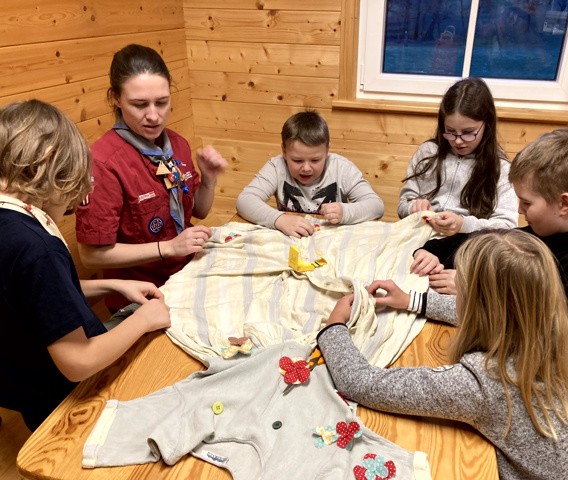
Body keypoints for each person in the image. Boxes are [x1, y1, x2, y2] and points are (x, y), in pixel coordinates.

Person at [317, 229, 568, 480]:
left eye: (461, 290)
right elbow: (487, 317)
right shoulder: (561, 337)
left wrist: (334, 326)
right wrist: (411, 299)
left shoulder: (485, 382)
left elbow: (362, 383)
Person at [410, 128, 568, 407]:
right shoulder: (549, 231)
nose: (519, 209)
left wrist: (477, 287)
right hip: (525, 356)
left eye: (527, 202)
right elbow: (483, 242)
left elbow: (542, 340)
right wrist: (432, 251)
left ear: (564, 204)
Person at [0, 100, 171, 431]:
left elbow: (33, 297)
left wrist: (112, 285)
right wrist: (144, 319)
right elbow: (78, 362)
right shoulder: (36, 246)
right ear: (52, 166)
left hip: (16, 379)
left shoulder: (10, 229)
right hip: (59, 397)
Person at [75, 44, 228, 312]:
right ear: (116, 98)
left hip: (187, 274)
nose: (154, 116)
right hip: (141, 298)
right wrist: (167, 248)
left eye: (162, 102)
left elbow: (200, 211)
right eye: (139, 105)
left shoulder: (177, 144)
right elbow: (90, 256)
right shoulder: (102, 163)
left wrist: (209, 179)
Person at [397, 77, 518, 235]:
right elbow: (403, 205)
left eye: (468, 132)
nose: (458, 141)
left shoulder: (501, 168)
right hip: (420, 235)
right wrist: (413, 208)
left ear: (487, 125)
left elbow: (507, 226)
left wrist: (463, 225)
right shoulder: (428, 152)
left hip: (467, 242)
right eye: (450, 131)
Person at [236, 110, 384, 238]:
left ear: (327, 151)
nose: (306, 168)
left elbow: (376, 206)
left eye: (315, 160)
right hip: (290, 241)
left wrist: (345, 212)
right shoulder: (276, 167)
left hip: (332, 241)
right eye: (297, 160)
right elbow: (245, 200)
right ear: (284, 152)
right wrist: (279, 219)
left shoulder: (342, 168)